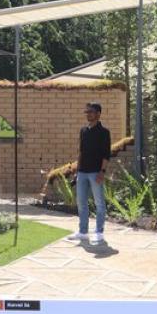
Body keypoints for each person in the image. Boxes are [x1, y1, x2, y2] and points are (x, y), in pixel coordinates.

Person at [66, 102, 110, 245]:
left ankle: (99, 232)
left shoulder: (104, 132)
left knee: (99, 203)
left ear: (98, 114)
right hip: (82, 172)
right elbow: (81, 152)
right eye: (87, 112)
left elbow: (106, 154)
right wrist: (77, 171)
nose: (88, 114)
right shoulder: (83, 131)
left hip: (96, 172)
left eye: (90, 112)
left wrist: (102, 171)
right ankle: (83, 232)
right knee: (81, 203)